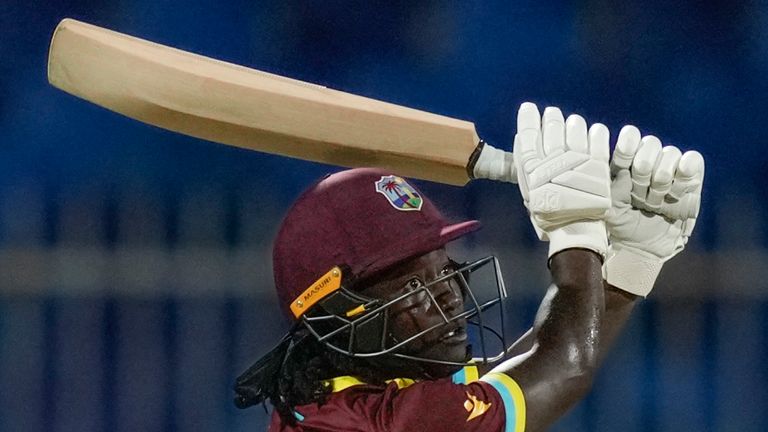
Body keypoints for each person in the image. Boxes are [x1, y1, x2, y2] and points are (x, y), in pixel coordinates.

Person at [233, 103, 705, 432]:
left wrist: (626, 265)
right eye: (413, 284)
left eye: (443, 273)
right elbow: (562, 369)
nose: (448, 296)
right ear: (337, 319)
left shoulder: (345, 398)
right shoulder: (378, 422)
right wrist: (576, 230)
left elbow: (528, 365)